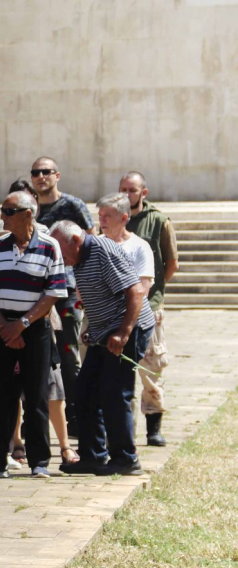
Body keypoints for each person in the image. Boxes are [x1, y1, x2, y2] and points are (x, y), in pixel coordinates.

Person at [0, 191, 68, 479]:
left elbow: (53, 292)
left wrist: (23, 324)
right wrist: (6, 326)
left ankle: (39, 462)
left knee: (37, 396)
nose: (2, 215)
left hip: (35, 329)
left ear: (28, 214)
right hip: (2, 328)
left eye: (9, 210)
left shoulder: (51, 247)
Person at [50, 221, 155, 476]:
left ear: (76, 240)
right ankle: (93, 456)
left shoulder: (101, 250)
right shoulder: (81, 257)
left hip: (128, 329)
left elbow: (135, 291)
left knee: (114, 393)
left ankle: (126, 459)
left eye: (62, 253)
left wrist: (124, 333)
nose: (62, 259)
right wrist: (93, 328)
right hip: (103, 331)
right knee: (85, 391)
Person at [32, 157, 93, 438]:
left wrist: (85, 286)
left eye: (46, 172)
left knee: (69, 355)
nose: (41, 176)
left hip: (66, 290)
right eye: (36, 173)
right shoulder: (28, 207)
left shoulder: (73, 206)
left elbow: (91, 243)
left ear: (57, 175)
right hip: (35, 290)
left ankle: (78, 418)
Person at [121, 172, 179, 446]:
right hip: (118, 307)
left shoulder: (158, 221)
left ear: (143, 192)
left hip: (149, 307)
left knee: (151, 368)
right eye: (122, 189)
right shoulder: (114, 218)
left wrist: (152, 294)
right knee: (119, 372)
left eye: (131, 190)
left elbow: (171, 263)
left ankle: (153, 426)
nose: (126, 194)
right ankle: (123, 430)